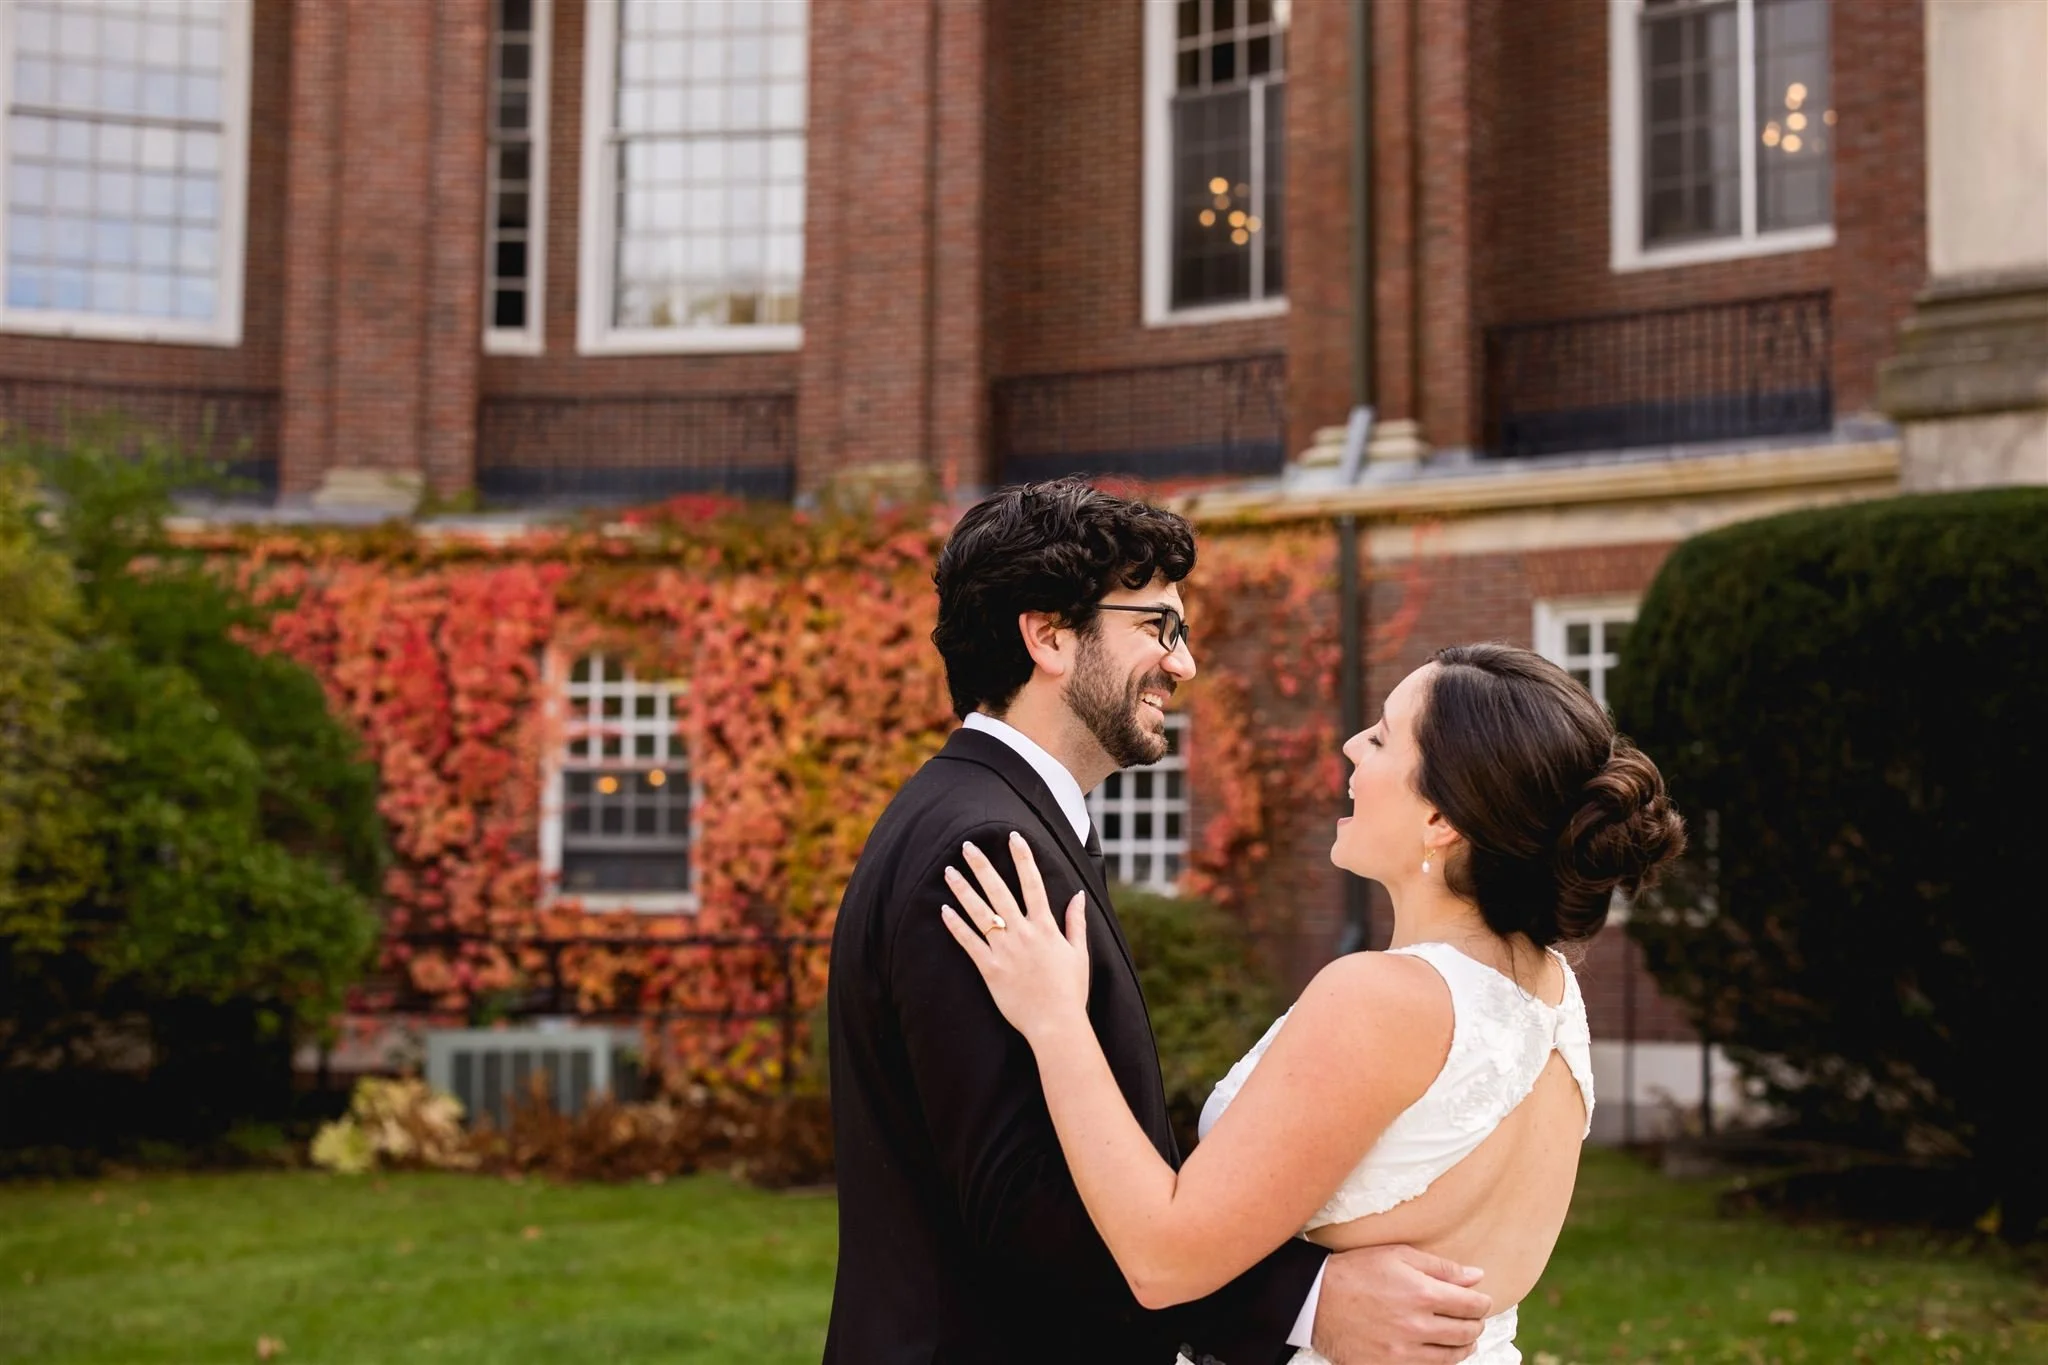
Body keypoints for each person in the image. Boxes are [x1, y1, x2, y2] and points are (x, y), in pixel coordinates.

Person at [825, 479, 1498, 1364]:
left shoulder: (990, 813)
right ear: (1049, 635)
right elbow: (1024, 1208)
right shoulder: (987, 843)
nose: (1183, 664)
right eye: (1157, 628)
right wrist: (1305, 1305)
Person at [938, 642, 1687, 1365]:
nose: (1352, 749)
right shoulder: (1552, 990)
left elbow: (1161, 1256)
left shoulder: (1384, 1000)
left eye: (1384, 738)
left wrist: (1055, 1017)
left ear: (1442, 820)